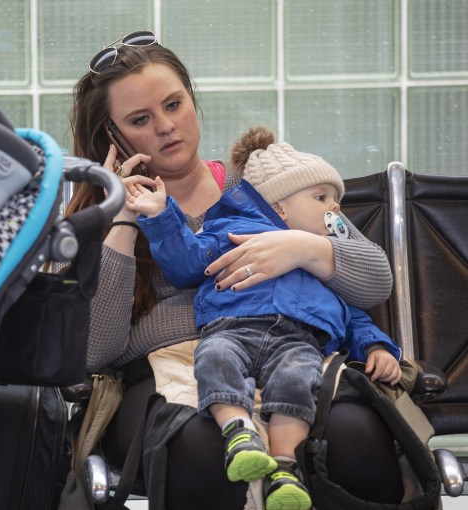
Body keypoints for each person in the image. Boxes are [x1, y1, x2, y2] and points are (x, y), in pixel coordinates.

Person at [65, 30, 403, 509]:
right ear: (113, 139)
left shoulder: (268, 184)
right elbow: (95, 352)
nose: (166, 126)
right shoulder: (93, 221)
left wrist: (302, 248)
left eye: (174, 104)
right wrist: (123, 214)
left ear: (192, 100)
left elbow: (374, 280)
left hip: (292, 351)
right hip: (166, 378)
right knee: (204, 446)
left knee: (356, 432)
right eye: (141, 119)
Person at [125, 125, 402, 510]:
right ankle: (238, 432)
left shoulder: (322, 258)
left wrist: (376, 345)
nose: (334, 208)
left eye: (335, 199)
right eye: (321, 197)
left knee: (297, 380)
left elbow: (353, 313)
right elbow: (188, 262)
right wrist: (161, 217)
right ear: (279, 207)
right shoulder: (231, 230)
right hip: (229, 331)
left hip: (298, 341)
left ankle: (286, 466)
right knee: (213, 359)